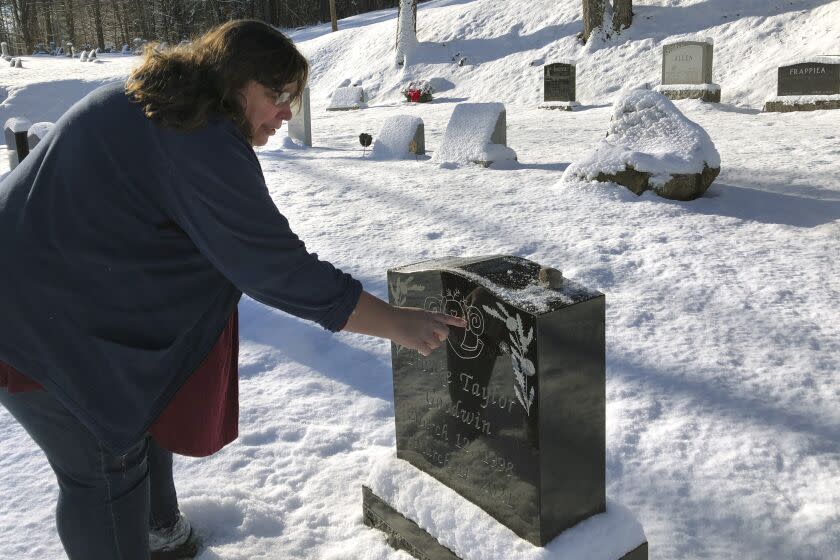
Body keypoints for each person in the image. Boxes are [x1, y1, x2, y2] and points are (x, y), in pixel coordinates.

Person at [0, 19, 465, 560]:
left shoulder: (149, 104)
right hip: (33, 319)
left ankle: (159, 532)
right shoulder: (195, 138)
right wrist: (395, 323)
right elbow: (272, 266)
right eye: (278, 94)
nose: (287, 112)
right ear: (235, 81)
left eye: (293, 96)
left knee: (136, 416)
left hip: (64, 299)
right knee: (104, 468)